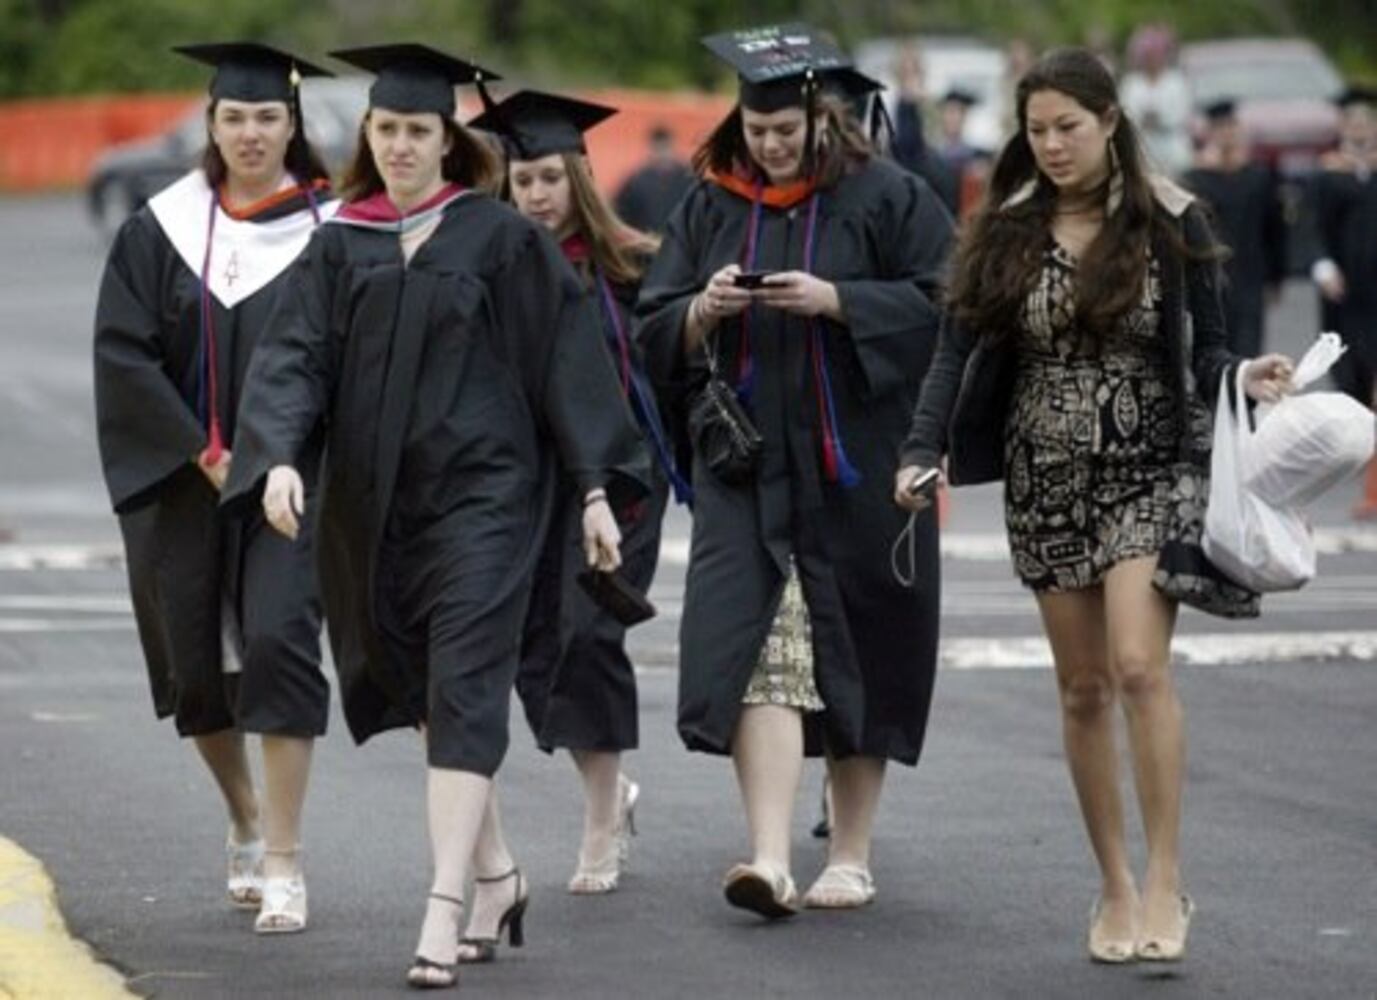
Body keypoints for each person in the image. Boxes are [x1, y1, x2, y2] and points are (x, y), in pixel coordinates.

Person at [220, 44, 647, 988]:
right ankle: (496, 876)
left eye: (419, 130)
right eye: (389, 129)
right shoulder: (342, 243)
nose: (403, 144)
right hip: (379, 511)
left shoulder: (495, 241)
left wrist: (590, 490)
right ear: (368, 136)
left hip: (488, 500)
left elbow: (564, 363)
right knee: (423, 689)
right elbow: (293, 359)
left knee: (464, 688)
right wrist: (281, 457)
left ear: (448, 141)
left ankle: (442, 906)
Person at [897, 48, 1294, 965]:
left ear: (1110, 121)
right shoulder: (1004, 226)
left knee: (1136, 668)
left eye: (1067, 128)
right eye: (1035, 131)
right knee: (1080, 689)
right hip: (1045, 476)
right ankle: (1112, 884)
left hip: (1149, 468)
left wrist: (1245, 377)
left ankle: (1164, 877)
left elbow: (1209, 348)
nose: (1050, 147)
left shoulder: (1171, 218)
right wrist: (923, 450)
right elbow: (954, 354)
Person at [637, 24, 952, 919]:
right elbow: (651, 319)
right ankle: (770, 858)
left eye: (786, 129)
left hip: (857, 465)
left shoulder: (890, 196)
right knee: (757, 647)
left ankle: (848, 853)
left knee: (861, 643)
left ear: (823, 118)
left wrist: (839, 301)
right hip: (746, 470)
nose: (769, 145)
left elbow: (950, 305)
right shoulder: (708, 208)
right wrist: (702, 309)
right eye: (756, 128)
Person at [93, 42, 336, 935]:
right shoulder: (159, 227)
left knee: (275, 647)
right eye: (234, 116)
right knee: (196, 671)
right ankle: (243, 810)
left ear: (292, 123)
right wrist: (200, 450)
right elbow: (123, 353)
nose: (250, 133)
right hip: (183, 477)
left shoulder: (330, 230)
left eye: (268, 116)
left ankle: (283, 853)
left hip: (288, 482)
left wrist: (283, 457)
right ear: (211, 123)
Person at [468, 88, 689, 900]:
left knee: (591, 635)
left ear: (580, 180)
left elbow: (674, 367)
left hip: (622, 480)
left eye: (550, 180)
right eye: (522, 181)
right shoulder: (490, 269)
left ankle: (601, 818)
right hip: (526, 483)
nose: (536, 196)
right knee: (535, 648)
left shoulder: (632, 264)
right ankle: (611, 788)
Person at [1310, 85, 1377, 518]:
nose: (1360, 128)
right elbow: (1312, 226)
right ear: (1342, 128)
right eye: (1352, 122)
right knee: (1351, 373)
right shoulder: (1326, 174)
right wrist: (1320, 265)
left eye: (1366, 121)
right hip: (1346, 292)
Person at [1182, 99, 1287, 357]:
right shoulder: (1194, 178)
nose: (1227, 133)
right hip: (1209, 278)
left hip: (1250, 276)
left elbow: (1274, 228)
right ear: (1210, 134)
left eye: (1231, 127)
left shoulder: (1258, 176)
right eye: (1220, 128)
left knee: (1248, 350)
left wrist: (1276, 277)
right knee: (1213, 350)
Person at [1119, 26, 1192, 178]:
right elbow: (1125, 113)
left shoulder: (1176, 81)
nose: (1152, 60)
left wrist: (1160, 118)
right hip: (1143, 146)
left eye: (1155, 55)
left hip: (1172, 144)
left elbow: (1183, 113)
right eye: (1147, 55)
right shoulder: (1131, 83)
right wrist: (1142, 119)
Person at [613, 124, 695, 234]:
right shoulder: (637, 181)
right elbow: (620, 211)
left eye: (664, 148)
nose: (662, 155)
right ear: (651, 149)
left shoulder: (689, 179)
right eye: (658, 149)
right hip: (649, 241)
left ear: (672, 147)